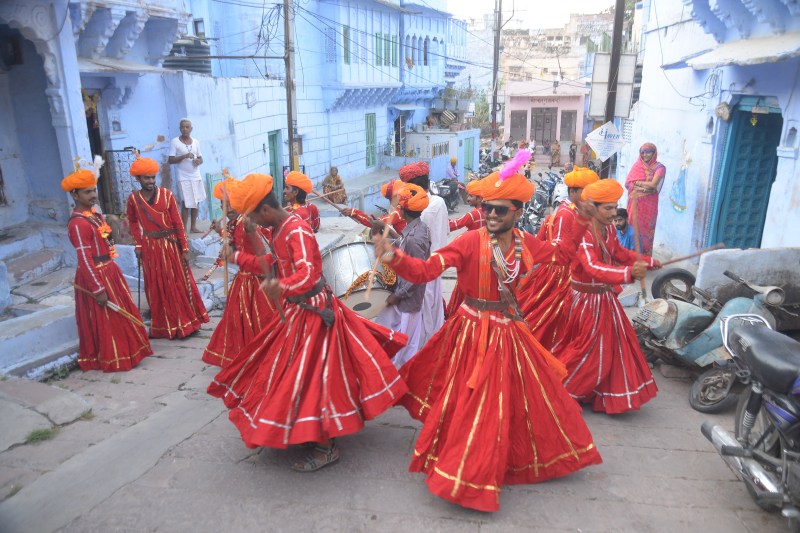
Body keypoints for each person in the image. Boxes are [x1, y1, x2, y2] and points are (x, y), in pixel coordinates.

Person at [372, 166, 602, 512]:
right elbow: (425, 271)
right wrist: (393, 255)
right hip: (468, 332)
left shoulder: (528, 244)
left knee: (511, 399)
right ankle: (467, 471)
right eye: (487, 209)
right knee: (472, 400)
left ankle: (492, 463)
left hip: (507, 332)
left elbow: (563, 257)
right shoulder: (467, 241)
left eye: (500, 209)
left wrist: (583, 222)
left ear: (518, 212)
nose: (491, 215)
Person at [207, 173, 408, 472]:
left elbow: (308, 275)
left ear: (264, 210)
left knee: (315, 380)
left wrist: (282, 287)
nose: (252, 224)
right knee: (292, 375)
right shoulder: (278, 229)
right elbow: (271, 265)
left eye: (252, 217)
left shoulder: (296, 230)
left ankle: (326, 447)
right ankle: (298, 428)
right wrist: (237, 257)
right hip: (298, 311)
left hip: (314, 312)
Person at [550, 179, 661, 414]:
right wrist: (628, 273)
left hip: (604, 298)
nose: (614, 213)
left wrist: (645, 261)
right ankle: (559, 391)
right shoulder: (582, 233)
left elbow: (618, 252)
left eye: (615, 207)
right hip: (586, 301)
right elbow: (592, 267)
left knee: (613, 348)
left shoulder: (608, 228)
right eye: (608, 208)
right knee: (590, 352)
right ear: (594, 208)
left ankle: (595, 392)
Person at [63, 160, 152, 372]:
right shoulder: (77, 224)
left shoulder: (93, 215)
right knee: (107, 319)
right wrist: (97, 288)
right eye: (87, 192)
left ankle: (130, 352)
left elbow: (107, 241)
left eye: (94, 190)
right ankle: (113, 357)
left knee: (120, 315)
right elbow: (84, 260)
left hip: (109, 270)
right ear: (75, 196)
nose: (93, 195)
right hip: (96, 275)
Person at [126, 154, 209, 339]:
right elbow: (132, 221)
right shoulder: (133, 200)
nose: (150, 181)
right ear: (138, 179)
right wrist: (138, 243)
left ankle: (186, 322)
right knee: (156, 285)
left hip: (170, 245)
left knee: (175, 283)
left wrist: (185, 248)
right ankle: (164, 325)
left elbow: (179, 223)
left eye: (152, 177)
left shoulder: (167, 195)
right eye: (146, 178)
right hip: (149, 247)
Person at [520, 166, 599, 350]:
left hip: (572, 268)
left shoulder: (580, 210)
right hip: (562, 273)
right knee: (552, 315)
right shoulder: (566, 212)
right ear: (574, 191)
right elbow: (559, 248)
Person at [202, 178, 274, 368]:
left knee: (260, 322)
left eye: (231, 204)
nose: (227, 209)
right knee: (236, 321)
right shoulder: (235, 223)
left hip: (257, 281)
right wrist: (221, 233)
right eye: (223, 205)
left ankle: (258, 357)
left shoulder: (250, 222)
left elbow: (264, 253)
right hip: (242, 281)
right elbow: (234, 250)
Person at [374, 184, 431, 368]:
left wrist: (396, 296)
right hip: (404, 295)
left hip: (408, 299)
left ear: (404, 211)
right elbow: (401, 243)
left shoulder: (415, 239)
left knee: (404, 346)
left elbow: (416, 275)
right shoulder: (417, 228)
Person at [398, 161, 447, 349]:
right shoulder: (438, 202)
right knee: (432, 314)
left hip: (424, 269)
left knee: (420, 319)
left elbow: (413, 239)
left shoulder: (423, 207)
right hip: (437, 266)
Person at [445, 178, 486, 318]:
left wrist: (438, 219)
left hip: (472, 257)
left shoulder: (473, 215)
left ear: (480, 198)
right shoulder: (492, 213)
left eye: (471, 196)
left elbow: (453, 225)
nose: (468, 199)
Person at [626, 142, 666, 255]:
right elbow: (628, 183)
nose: (645, 155)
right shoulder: (637, 165)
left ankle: (645, 258)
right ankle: (630, 256)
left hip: (649, 205)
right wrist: (644, 186)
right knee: (633, 229)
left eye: (648, 153)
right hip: (634, 204)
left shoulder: (660, 167)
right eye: (642, 153)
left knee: (646, 231)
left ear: (654, 153)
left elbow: (653, 185)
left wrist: (637, 184)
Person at [168, 118, 205, 233]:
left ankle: (193, 227)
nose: (185, 129)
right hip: (183, 177)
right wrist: (184, 156)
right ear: (180, 128)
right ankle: (183, 230)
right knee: (186, 202)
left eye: (187, 127)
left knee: (196, 201)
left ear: (191, 129)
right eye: (182, 127)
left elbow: (200, 158)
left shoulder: (196, 142)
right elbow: (171, 160)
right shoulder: (175, 142)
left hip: (196, 175)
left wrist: (198, 161)